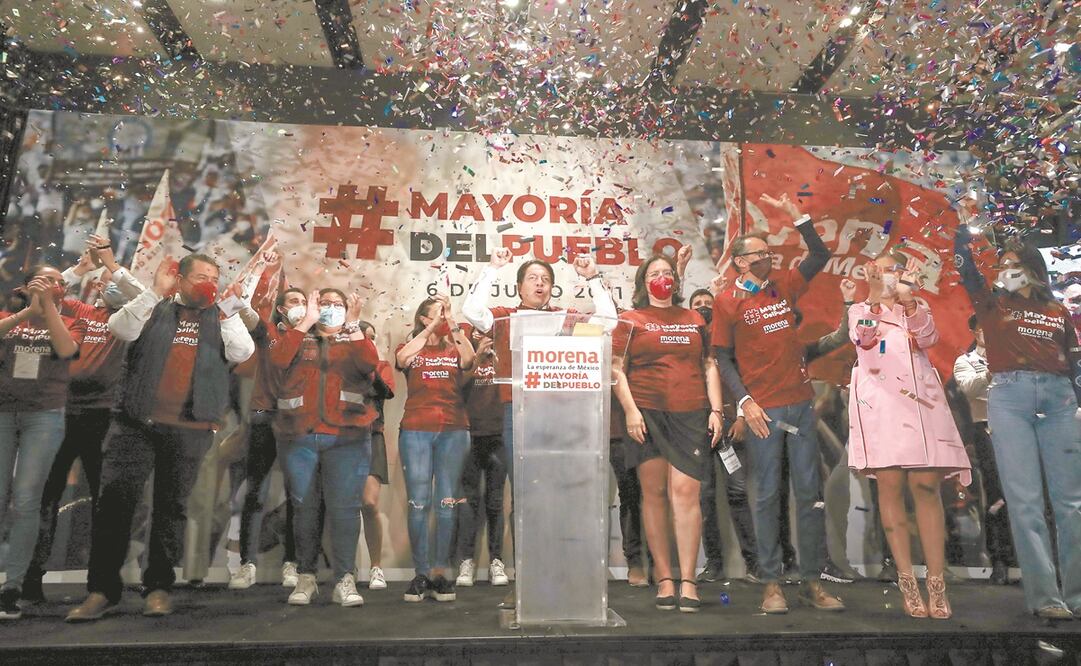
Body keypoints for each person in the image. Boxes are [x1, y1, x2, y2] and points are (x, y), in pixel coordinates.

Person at [65, 253, 255, 622]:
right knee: (115, 507)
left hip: (191, 427)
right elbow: (121, 329)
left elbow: (242, 352)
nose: (207, 281)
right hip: (135, 423)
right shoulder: (154, 306)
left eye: (213, 276)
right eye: (199, 275)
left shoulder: (221, 317)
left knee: (172, 509)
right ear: (180, 279)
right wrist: (154, 290)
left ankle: (158, 587)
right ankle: (102, 591)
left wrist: (227, 310)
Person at [711, 192, 844, 614]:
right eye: (759, 255)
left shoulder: (783, 284)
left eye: (769, 253)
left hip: (800, 405)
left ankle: (811, 581)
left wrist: (798, 217)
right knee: (766, 495)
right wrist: (745, 401)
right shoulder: (728, 300)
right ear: (739, 262)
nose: (768, 259)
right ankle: (771, 584)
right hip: (763, 410)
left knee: (810, 494)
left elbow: (819, 252)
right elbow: (721, 357)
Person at [955, 226, 1081, 619]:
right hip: (1009, 398)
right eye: (1003, 265)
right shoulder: (992, 305)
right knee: (1025, 503)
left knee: (1071, 504)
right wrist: (961, 228)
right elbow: (968, 273)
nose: (1006, 270)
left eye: (1014, 265)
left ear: (1033, 270)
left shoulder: (1057, 312)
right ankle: (1046, 598)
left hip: (1060, 400)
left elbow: (1075, 366)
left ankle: (1077, 595)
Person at [848, 253, 971, 619]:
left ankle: (936, 582)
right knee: (890, 489)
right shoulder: (859, 309)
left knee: (926, 488)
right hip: (882, 408)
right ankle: (906, 581)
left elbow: (930, 336)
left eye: (894, 269)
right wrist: (873, 297)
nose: (889, 275)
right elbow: (863, 340)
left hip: (921, 407)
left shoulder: (914, 307)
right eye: (883, 269)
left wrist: (909, 300)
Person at [24, 237, 144, 603]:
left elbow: (146, 297)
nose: (109, 288)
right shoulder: (80, 311)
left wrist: (113, 268)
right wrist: (79, 269)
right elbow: (50, 296)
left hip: (104, 418)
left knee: (104, 502)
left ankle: (101, 583)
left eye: (116, 285)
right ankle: (30, 580)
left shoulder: (132, 327)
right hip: (60, 413)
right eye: (106, 284)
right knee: (44, 497)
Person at [611, 254, 724, 613]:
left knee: (686, 493)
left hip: (690, 413)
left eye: (667, 273)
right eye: (655, 273)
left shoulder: (694, 318)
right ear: (645, 282)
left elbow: (709, 364)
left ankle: (688, 580)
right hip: (646, 414)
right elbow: (616, 369)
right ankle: (664, 578)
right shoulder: (630, 320)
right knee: (654, 494)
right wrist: (630, 410)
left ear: (675, 282)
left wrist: (717, 410)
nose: (662, 278)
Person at [271, 288, 378, 608]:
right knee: (303, 509)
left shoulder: (355, 338)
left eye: (338, 303)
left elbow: (368, 363)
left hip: (348, 436)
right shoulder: (295, 336)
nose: (331, 308)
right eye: (325, 303)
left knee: (345, 510)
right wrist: (306, 322)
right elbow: (277, 360)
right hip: (299, 436)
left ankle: (344, 578)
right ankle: (306, 577)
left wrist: (355, 325)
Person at [0, 266, 85, 619]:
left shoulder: (70, 320)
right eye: (46, 280)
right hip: (4, 412)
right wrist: (27, 312)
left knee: (26, 500)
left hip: (45, 416)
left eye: (59, 282)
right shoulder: (10, 317)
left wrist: (48, 308)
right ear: (27, 284)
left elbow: (66, 349)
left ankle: (12, 586)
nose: (54, 285)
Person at [396, 295, 476, 602]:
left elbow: (469, 361)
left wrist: (452, 322)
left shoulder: (454, 345)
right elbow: (403, 360)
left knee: (446, 502)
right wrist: (428, 331)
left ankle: (441, 573)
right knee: (418, 501)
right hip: (416, 429)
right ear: (423, 318)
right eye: (436, 315)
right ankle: (421, 573)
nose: (442, 319)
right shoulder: (413, 345)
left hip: (454, 429)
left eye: (444, 314)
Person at [228, 287, 305, 591]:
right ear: (281, 309)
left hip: (297, 420)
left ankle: (292, 563)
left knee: (296, 495)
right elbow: (244, 312)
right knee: (256, 491)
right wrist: (237, 294)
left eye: (303, 301)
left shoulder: (313, 335)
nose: (299, 306)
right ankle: (247, 565)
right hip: (263, 415)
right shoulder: (268, 331)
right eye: (293, 302)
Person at [688, 287, 759, 585]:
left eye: (708, 303)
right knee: (704, 497)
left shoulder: (728, 340)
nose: (703, 307)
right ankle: (713, 565)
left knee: (738, 493)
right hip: (696, 430)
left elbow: (747, 379)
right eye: (697, 304)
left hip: (731, 427)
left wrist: (742, 418)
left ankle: (755, 564)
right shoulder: (686, 343)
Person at [953, 314, 1014, 585]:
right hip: (985, 429)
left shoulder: (1015, 357)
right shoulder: (966, 361)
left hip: (1018, 426)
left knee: (1025, 495)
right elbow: (969, 389)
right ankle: (999, 559)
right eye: (982, 329)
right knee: (995, 493)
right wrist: (992, 370)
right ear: (975, 332)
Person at [455, 327, 509, 588]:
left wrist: (498, 359)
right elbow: (459, 384)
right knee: (468, 501)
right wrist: (478, 355)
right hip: (469, 434)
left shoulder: (505, 353)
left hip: (499, 434)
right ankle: (466, 561)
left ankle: (496, 561)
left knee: (496, 501)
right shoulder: (466, 353)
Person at [358, 320, 395, 591]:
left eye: (373, 336)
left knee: (369, 504)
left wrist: (369, 363)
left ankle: (376, 567)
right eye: (364, 336)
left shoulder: (381, 367)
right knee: (339, 506)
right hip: (341, 437)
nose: (370, 340)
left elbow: (386, 391)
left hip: (372, 436)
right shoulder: (340, 364)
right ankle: (344, 570)